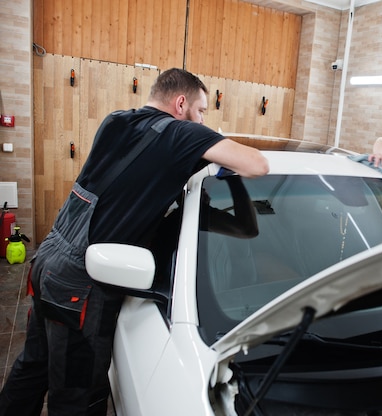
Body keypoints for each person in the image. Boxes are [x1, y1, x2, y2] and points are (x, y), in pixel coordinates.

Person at [0, 68, 269, 416]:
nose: (202, 120)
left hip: (49, 259)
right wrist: (209, 143)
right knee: (76, 396)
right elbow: (257, 164)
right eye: (202, 111)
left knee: (32, 368)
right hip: (79, 286)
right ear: (181, 103)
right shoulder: (181, 134)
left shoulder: (116, 121)